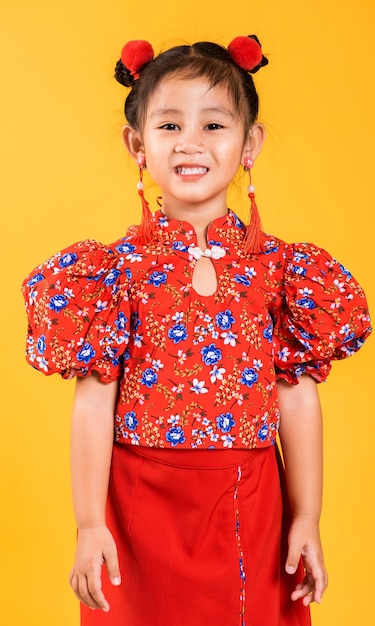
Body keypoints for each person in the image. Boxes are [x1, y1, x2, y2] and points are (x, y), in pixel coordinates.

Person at [22, 35, 371, 626]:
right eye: (168, 126)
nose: (190, 143)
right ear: (137, 144)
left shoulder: (280, 270)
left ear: (249, 143)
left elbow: (297, 394)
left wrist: (305, 516)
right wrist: (88, 524)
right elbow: (93, 401)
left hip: (253, 504)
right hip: (140, 506)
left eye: (214, 125)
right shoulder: (115, 273)